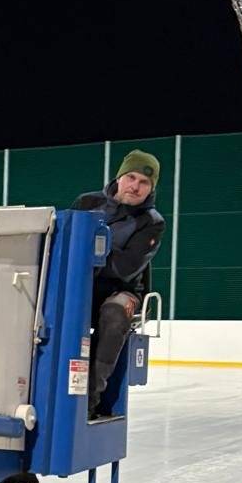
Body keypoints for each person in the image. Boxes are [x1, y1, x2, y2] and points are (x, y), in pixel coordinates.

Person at [72, 150, 165, 418]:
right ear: (119, 177)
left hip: (122, 292)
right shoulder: (87, 202)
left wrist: (91, 250)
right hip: (80, 286)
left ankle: (89, 399)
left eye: (144, 183)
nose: (135, 186)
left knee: (114, 313)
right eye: (131, 177)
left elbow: (125, 268)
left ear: (151, 189)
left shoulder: (152, 222)